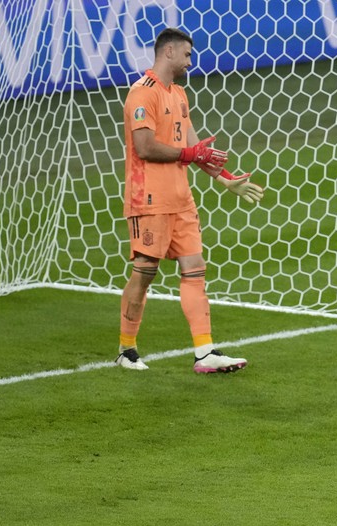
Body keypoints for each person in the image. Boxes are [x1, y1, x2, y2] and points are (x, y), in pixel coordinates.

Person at [116, 27, 262, 374]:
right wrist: (188, 152)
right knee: (145, 273)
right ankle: (126, 349)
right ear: (168, 52)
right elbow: (145, 147)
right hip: (149, 200)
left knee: (195, 270)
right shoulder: (142, 94)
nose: (189, 61)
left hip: (181, 200)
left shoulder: (179, 94)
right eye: (187, 55)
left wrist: (227, 181)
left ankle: (204, 352)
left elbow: (197, 151)